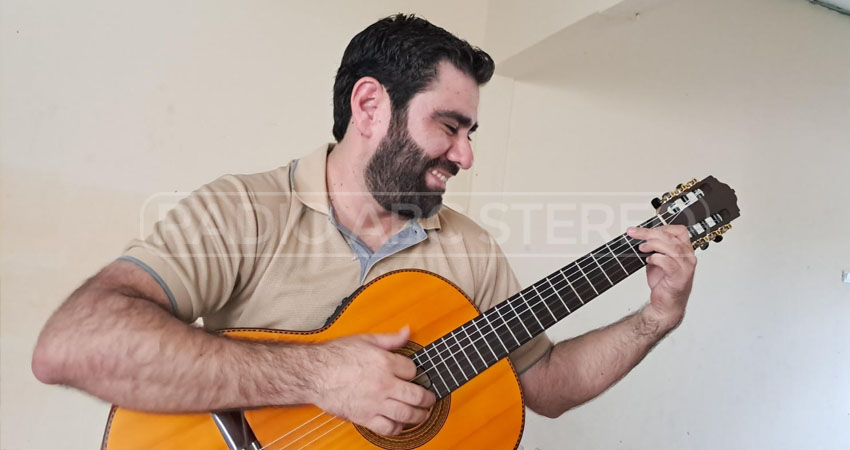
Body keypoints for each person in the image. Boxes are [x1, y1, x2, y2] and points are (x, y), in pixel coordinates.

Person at [32, 14, 697, 437]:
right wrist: (316, 377)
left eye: (471, 133)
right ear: (371, 104)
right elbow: (72, 346)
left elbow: (544, 384)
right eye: (450, 126)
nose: (466, 155)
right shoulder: (240, 210)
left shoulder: (469, 251)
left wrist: (653, 319)